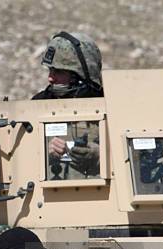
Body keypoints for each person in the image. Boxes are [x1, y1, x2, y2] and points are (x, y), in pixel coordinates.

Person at [34, 32, 103, 176]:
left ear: (79, 75)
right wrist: (45, 151)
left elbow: (136, 158)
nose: (50, 78)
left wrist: (99, 156)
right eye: (50, 70)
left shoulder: (109, 106)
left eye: (58, 72)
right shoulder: (38, 105)